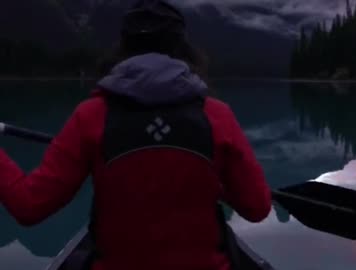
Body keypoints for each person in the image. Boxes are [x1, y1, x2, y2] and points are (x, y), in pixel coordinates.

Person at [0, 1, 272, 270]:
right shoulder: (218, 116)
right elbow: (258, 207)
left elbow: (29, 206)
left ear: (123, 49)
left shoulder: (91, 116)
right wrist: (215, 183)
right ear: (183, 49)